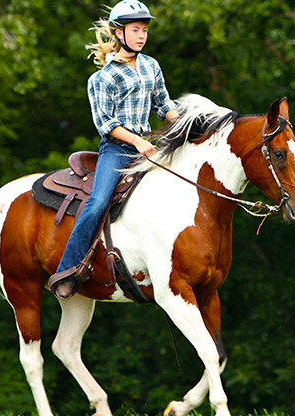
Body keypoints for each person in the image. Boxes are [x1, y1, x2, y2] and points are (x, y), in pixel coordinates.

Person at [48, 0, 179, 299]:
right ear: (119, 33)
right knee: (97, 202)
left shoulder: (151, 65)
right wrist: (137, 141)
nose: (142, 36)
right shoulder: (102, 78)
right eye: (135, 30)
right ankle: (69, 269)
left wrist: (186, 124)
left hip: (149, 147)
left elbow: (165, 104)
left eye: (144, 30)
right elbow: (106, 124)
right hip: (118, 150)